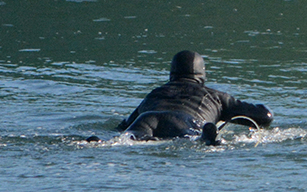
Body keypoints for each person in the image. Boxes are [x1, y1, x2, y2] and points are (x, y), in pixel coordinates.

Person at [116, 51, 273, 145]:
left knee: (128, 140)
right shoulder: (216, 97)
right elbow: (265, 117)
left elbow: (123, 126)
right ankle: (206, 138)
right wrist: (227, 115)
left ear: (172, 73)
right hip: (185, 121)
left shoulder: (155, 93)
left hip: (146, 118)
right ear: (202, 74)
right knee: (191, 139)